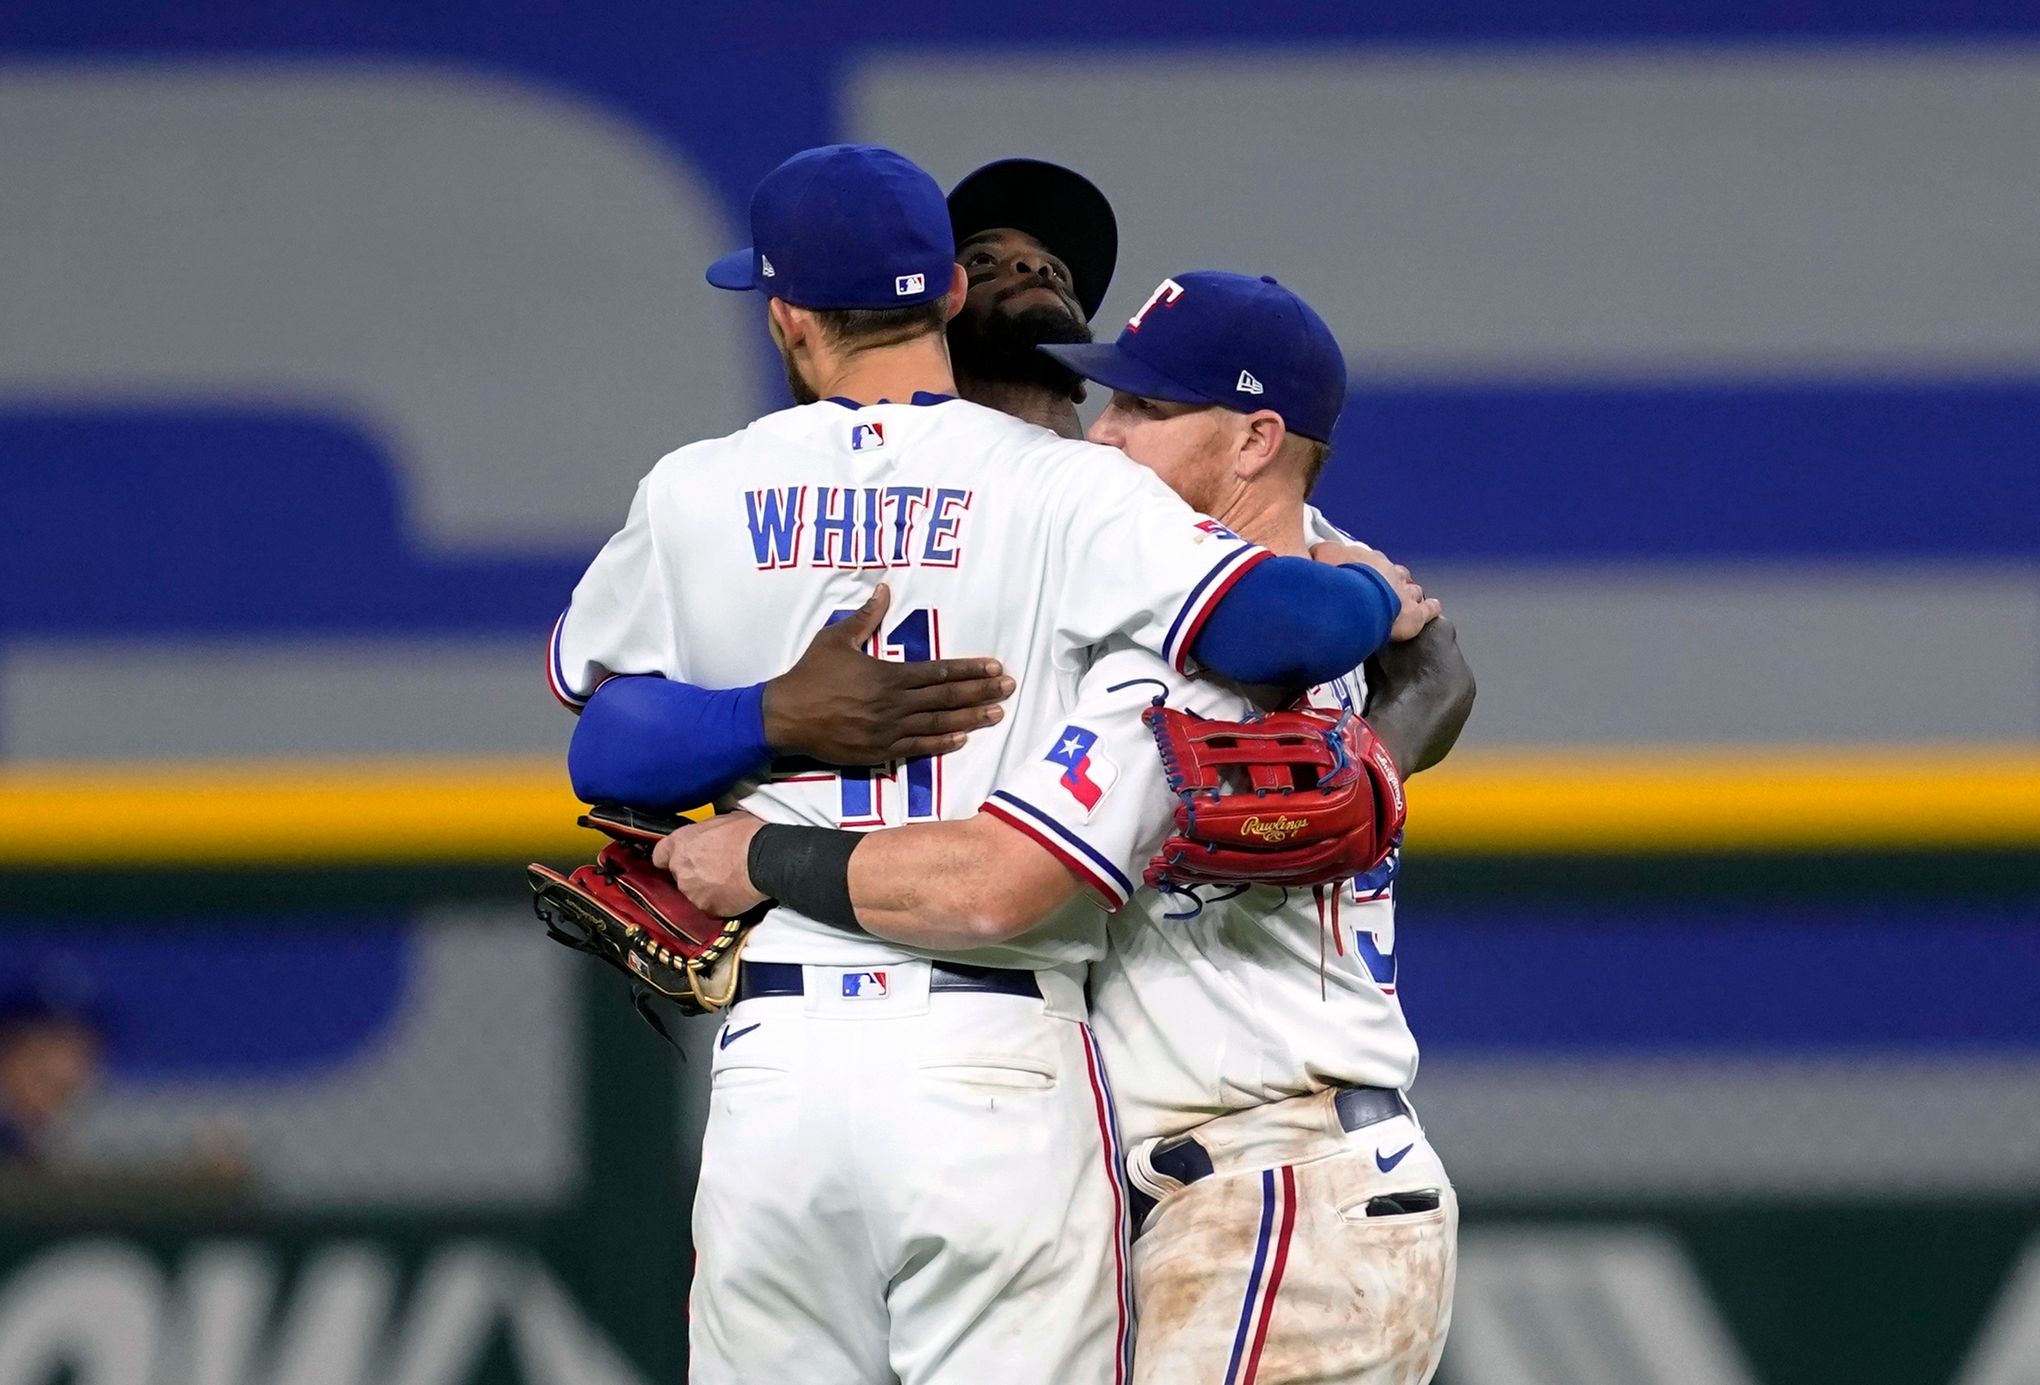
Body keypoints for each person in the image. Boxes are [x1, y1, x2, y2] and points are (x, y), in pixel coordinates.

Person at [548, 144, 1420, 1384]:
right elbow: (1288, 629)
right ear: (949, 296)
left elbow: (603, 744)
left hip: (779, 1065)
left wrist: (775, 713)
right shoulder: (1073, 492)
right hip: (997, 1055)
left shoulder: (698, 489)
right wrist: (1365, 593)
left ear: (786, 314)